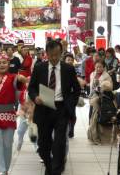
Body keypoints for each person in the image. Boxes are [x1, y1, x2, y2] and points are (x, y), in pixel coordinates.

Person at [28, 40, 81, 175]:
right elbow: (31, 88)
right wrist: (35, 98)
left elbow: (76, 89)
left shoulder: (68, 69)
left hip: (61, 108)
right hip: (44, 108)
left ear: (61, 53)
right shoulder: (39, 67)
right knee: (43, 144)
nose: (54, 58)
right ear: (46, 54)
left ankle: (56, 170)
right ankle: (49, 165)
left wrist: (71, 104)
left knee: (59, 143)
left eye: (57, 55)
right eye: (51, 55)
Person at [87, 60, 113, 145]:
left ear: (104, 67)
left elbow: (109, 88)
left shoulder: (107, 76)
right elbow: (91, 87)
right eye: (97, 67)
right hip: (92, 98)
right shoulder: (92, 74)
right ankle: (92, 136)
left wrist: (101, 88)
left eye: (100, 67)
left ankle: (97, 137)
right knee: (91, 116)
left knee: (97, 118)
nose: (98, 68)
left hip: (101, 99)